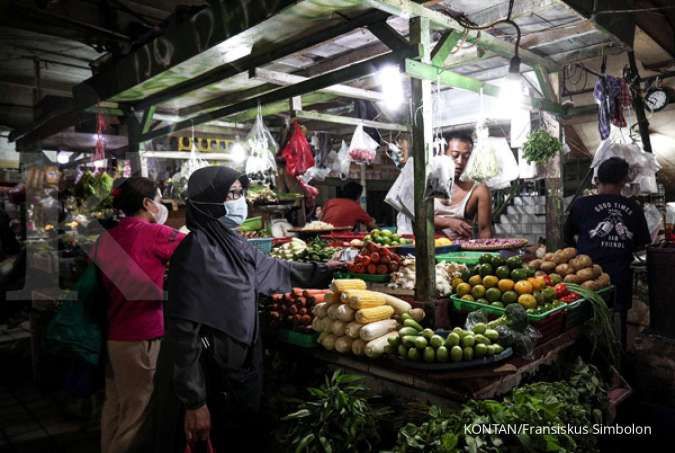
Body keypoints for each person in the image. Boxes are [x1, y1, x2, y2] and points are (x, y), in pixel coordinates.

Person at [135, 166, 342, 453]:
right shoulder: (195, 253)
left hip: (239, 369)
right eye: (232, 194)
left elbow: (272, 268)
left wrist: (325, 271)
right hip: (212, 375)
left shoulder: (233, 243)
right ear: (209, 201)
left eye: (240, 193)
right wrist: (195, 402)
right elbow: (183, 334)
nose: (240, 201)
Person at [95, 177, 185, 453]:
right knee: (137, 414)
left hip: (113, 335)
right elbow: (198, 249)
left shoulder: (107, 236)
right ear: (147, 204)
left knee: (116, 406)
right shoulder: (151, 233)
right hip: (141, 336)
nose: (162, 206)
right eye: (159, 200)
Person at [564, 157, 651, 346]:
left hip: (585, 280)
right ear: (623, 181)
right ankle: (617, 363)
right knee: (616, 331)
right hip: (619, 279)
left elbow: (567, 239)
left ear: (597, 179)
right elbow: (642, 244)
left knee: (584, 326)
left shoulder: (581, 204)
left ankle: (586, 358)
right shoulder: (634, 208)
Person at [434, 133, 493, 239]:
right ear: (444, 154)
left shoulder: (479, 190)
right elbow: (419, 218)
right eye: (454, 156)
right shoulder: (432, 183)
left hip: (462, 252)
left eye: (466, 157)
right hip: (429, 251)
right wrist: (449, 222)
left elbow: (485, 231)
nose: (460, 161)